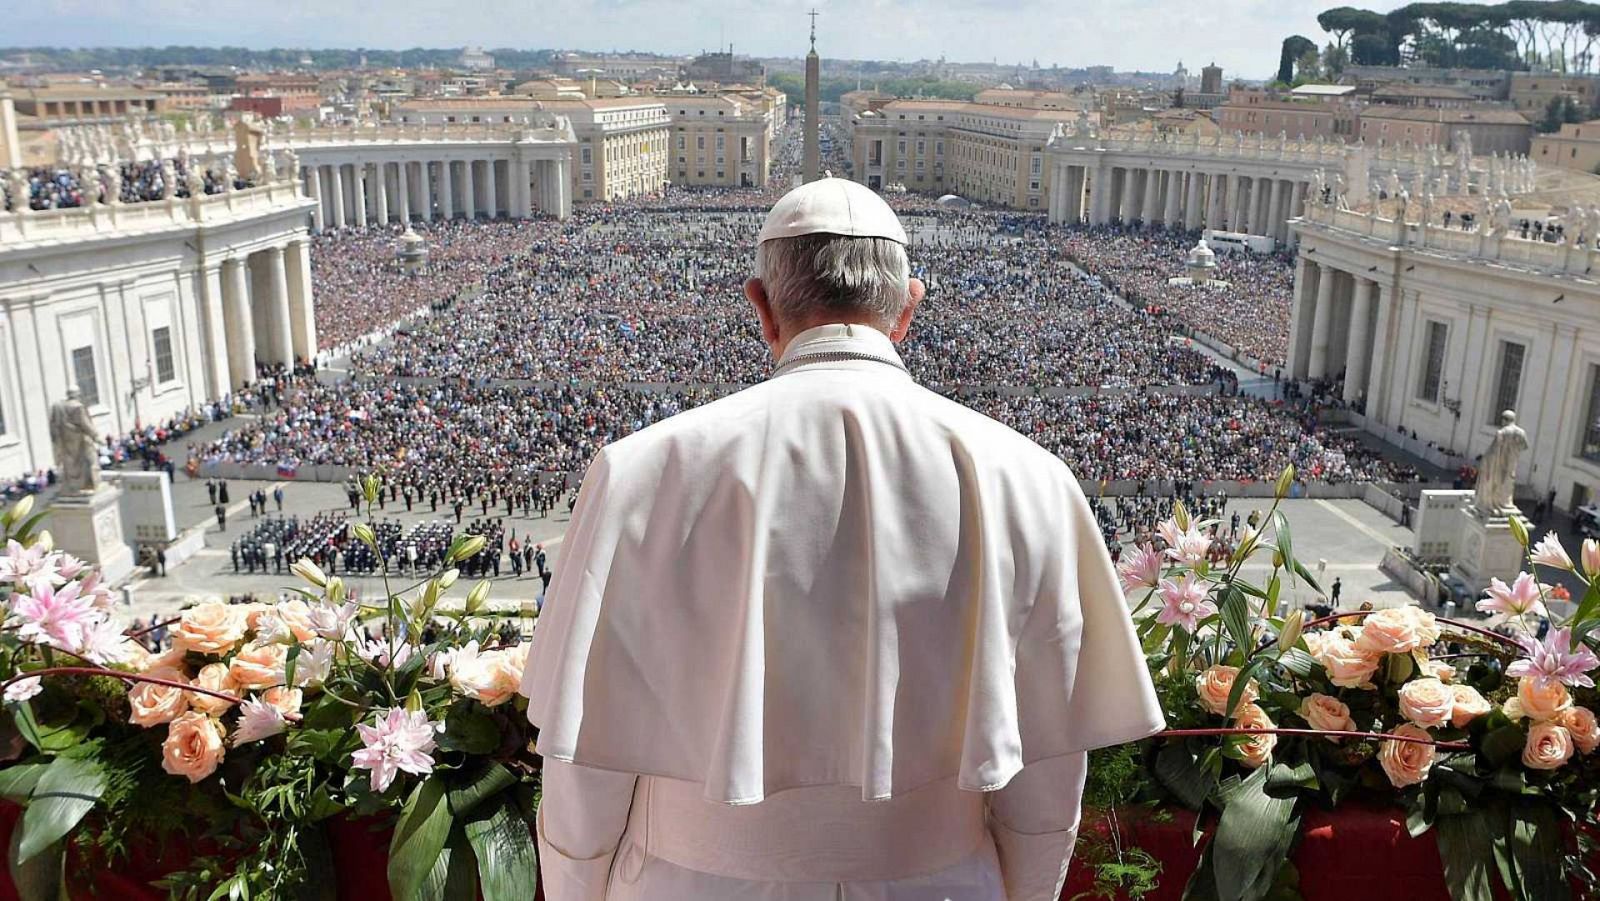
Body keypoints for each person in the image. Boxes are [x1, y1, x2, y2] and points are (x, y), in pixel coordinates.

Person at [523, 179, 1164, 901]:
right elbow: (1046, 780)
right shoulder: (1031, 478)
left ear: (761, 309)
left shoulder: (638, 471)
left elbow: (585, 769)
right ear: (907, 310)